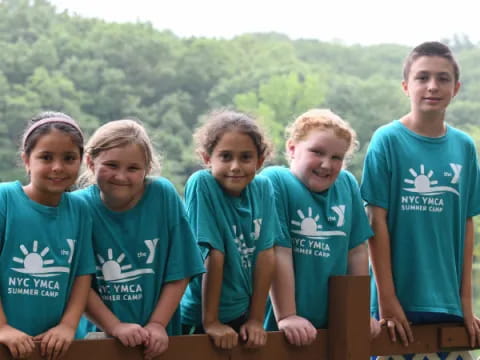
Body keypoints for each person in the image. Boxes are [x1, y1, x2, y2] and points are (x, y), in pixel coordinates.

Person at [361, 41, 480, 359]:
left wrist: (465, 305)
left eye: (442, 79)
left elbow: (466, 224)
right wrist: (387, 300)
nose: (432, 86)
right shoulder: (387, 140)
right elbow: (375, 222)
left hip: (447, 305)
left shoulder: (464, 147)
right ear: (405, 86)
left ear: (456, 88)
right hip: (397, 306)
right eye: (422, 77)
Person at [73, 119, 204, 359]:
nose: (121, 176)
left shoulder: (162, 196)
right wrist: (114, 326)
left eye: (133, 168)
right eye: (111, 165)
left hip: (159, 339)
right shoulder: (79, 207)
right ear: (91, 162)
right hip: (99, 340)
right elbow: (78, 283)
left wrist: (156, 324)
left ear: (147, 169)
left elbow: (181, 269)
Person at [262, 108, 380, 345]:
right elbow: (278, 251)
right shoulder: (275, 180)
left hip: (333, 326)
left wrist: (358, 313)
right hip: (278, 326)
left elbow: (357, 251)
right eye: (317, 152)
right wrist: (287, 315)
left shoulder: (346, 184)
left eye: (337, 157)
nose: (326, 164)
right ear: (292, 148)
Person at [0, 112, 95, 360]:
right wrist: (2, 327)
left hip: (57, 347)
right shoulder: (5, 199)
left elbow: (82, 275)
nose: (57, 167)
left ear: (81, 161)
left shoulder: (80, 209)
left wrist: (68, 326)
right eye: (46, 157)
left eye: (69, 158)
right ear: (26, 161)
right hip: (7, 344)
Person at [180, 110, 277, 350]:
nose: (235, 166)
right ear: (207, 158)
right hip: (199, 315)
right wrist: (211, 321)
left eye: (246, 157)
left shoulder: (263, 188)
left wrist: (256, 319)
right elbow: (213, 253)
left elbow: (265, 254)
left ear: (260, 161)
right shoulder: (202, 184)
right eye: (225, 157)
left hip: (241, 312)